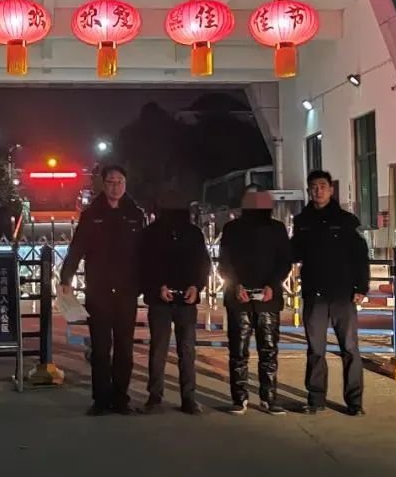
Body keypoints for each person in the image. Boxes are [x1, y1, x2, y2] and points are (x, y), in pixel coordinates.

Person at [60, 165, 146, 415]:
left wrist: (145, 283)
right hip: (99, 291)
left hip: (127, 291)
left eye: (120, 181)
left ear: (126, 184)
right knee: (100, 347)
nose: (115, 186)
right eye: (111, 182)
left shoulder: (135, 215)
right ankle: (100, 400)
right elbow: (77, 248)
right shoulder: (92, 215)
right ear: (103, 184)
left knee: (124, 348)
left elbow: (144, 253)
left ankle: (121, 399)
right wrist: (66, 278)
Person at [290, 169, 370, 416]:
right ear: (309, 191)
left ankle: (354, 402)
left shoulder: (346, 221)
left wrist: (361, 287)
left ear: (331, 189)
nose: (318, 191)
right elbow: (293, 252)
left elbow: (360, 256)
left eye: (323, 186)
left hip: (343, 294)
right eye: (314, 187)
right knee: (316, 350)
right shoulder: (302, 222)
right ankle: (316, 399)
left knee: (350, 349)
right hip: (314, 294)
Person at [218, 188, 292, 415]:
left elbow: (284, 261)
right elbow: (224, 262)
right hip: (238, 297)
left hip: (268, 299)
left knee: (268, 350)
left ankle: (268, 398)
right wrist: (235, 284)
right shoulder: (231, 229)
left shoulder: (277, 229)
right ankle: (239, 398)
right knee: (238, 351)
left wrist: (273, 284)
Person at [139, 188, 211, 415]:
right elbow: (144, 265)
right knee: (158, 349)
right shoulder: (150, 233)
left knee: (187, 350)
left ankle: (189, 398)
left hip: (186, 300)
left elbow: (203, 263)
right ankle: (155, 397)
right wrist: (157, 286)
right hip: (159, 300)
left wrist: (196, 286)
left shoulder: (194, 233)